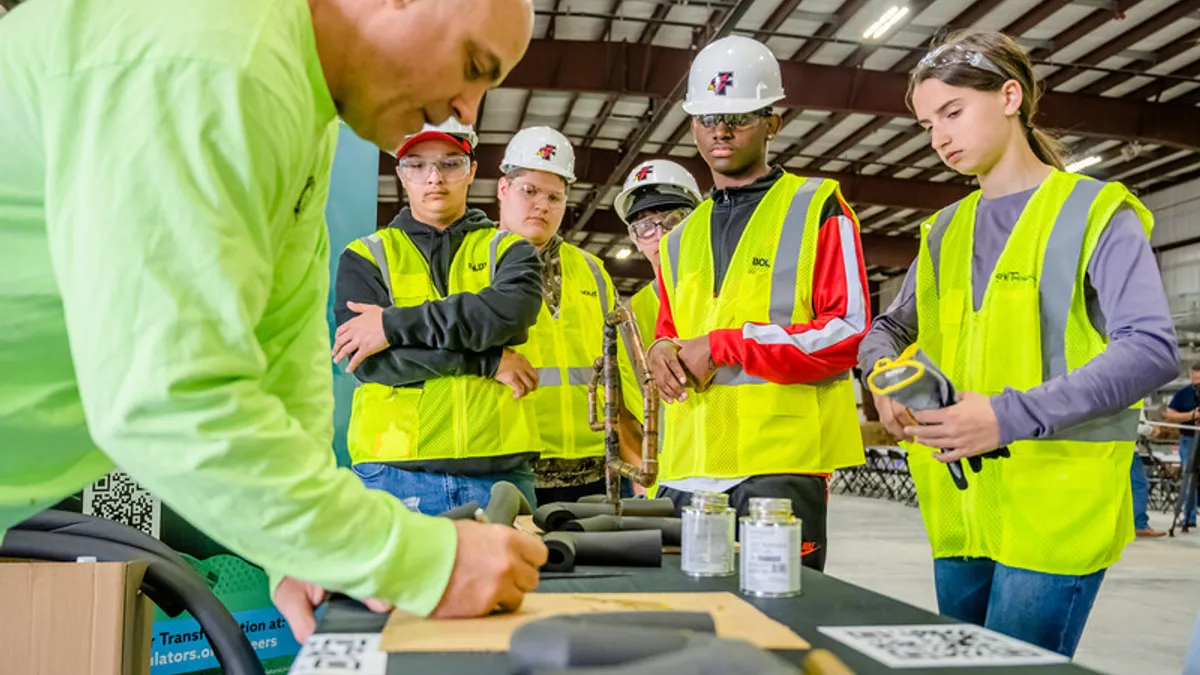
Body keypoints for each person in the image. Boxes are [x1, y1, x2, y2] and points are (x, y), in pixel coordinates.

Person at [0, 0, 546, 644]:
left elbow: (285, 358)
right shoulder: (213, 53)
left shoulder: (295, 103)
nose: (469, 109)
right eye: (474, 64)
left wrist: (302, 552)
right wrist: (417, 558)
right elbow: (168, 395)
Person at [858, 30, 1179, 657]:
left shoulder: (1094, 212)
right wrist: (884, 378)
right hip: (961, 502)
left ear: (1010, 96)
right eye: (927, 124)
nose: (939, 137)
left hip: (1057, 506)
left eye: (953, 112)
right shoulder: (945, 230)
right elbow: (885, 330)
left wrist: (1006, 414)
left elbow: (1151, 348)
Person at [647, 35, 870, 572]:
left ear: (773, 121)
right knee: (691, 637)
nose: (720, 132)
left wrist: (726, 347)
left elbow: (848, 331)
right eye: (706, 118)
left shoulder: (817, 206)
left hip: (779, 466)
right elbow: (671, 329)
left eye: (739, 117)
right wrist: (658, 350)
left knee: (778, 632)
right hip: (687, 470)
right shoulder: (681, 237)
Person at [332, 119, 544, 513]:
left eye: (449, 164)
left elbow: (508, 316)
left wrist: (391, 325)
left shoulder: (509, 250)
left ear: (472, 171)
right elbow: (370, 362)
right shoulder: (365, 256)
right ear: (400, 173)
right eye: (416, 164)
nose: (434, 178)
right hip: (394, 473)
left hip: (498, 472)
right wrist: (487, 360)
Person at [495, 127, 641, 503]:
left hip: (597, 472)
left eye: (554, 197)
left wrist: (634, 460)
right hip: (511, 469)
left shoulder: (591, 270)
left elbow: (619, 372)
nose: (541, 205)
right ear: (503, 189)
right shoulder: (475, 263)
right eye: (529, 191)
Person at [1162, 363, 1200, 528]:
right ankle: (1188, 518)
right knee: (1189, 476)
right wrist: (1191, 415)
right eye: (1193, 378)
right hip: (1190, 439)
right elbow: (1168, 414)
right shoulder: (1183, 394)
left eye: (1199, 379)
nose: (1195, 382)